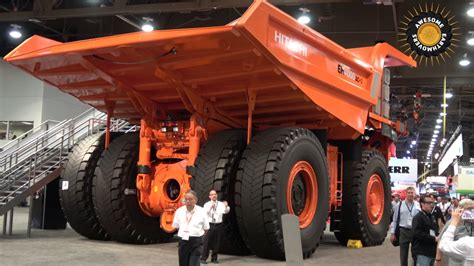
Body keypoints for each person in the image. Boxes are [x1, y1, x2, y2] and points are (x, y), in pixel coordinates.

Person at [172, 190, 210, 266]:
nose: (188, 201)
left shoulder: (202, 211)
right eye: (186, 199)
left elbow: (206, 228)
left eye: (190, 199)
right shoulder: (179, 211)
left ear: (196, 200)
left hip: (196, 242)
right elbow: (176, 227)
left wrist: (199, 238)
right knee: (183, 263)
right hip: (183, 242)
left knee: (194, 264)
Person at [435, 198, 474, 266]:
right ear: (460, 210)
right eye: (469, 208)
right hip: (456, 260)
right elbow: (441, 240)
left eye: (473, 208)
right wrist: (438, 259)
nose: (471, 211)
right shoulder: (453, 222)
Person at [391, 187, 421, 266]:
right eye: (409, 192)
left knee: (415, 253)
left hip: (415, 231)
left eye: (412, 192)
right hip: (403, 231)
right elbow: (394, 220)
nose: (411, 194)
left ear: (414, 194)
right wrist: (392, 233)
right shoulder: (399, 205)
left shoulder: (418, 205)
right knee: (403, 254)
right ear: (406, 194)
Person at [201, 190, 230, 264]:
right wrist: (211, 207)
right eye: (212, 194)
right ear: (209, 196)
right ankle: (203, 258)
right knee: (206, 242)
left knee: (216, 242)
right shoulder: (206, 204)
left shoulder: (220, 204)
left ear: (217, 195)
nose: (214, 195)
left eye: (215, 194)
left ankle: (214, 258)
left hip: (218, 225)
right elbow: (204, 213)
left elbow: (226, 211)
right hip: (209, 225)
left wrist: (226, 206)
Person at [412, 195, 439, 266]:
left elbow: (434, 230)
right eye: (429, 203)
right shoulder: (418, 217)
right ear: (422, 204)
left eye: (432, 203)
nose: (431, 205)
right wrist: (433, 238)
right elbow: (417, 233)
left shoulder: (431, 216)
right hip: (422, 252)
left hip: (432, 251)